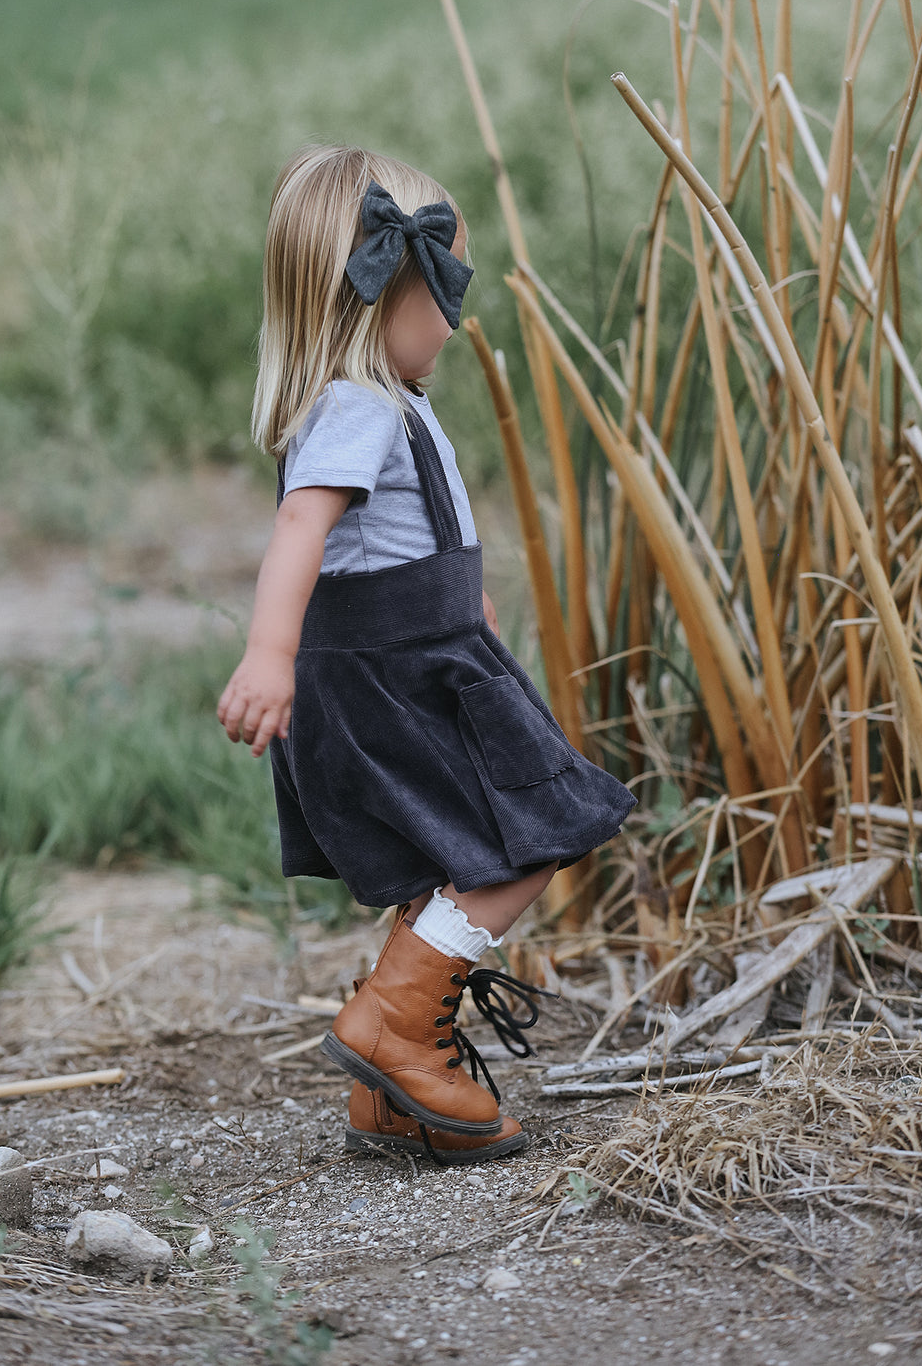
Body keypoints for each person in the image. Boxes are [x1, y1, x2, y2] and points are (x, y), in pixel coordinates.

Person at [218, 144, 636, 1164]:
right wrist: (269, 654)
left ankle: (392, 1099)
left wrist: (466, 596)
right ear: (382, 294)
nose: (455, 314)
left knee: (444, 862)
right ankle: (394, 1025)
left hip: (429, 653)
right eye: (445, 287)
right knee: (524, 840)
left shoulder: (389, 399)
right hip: (394, 680)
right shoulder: (356, 407)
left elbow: (396, 535)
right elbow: (300, 535)